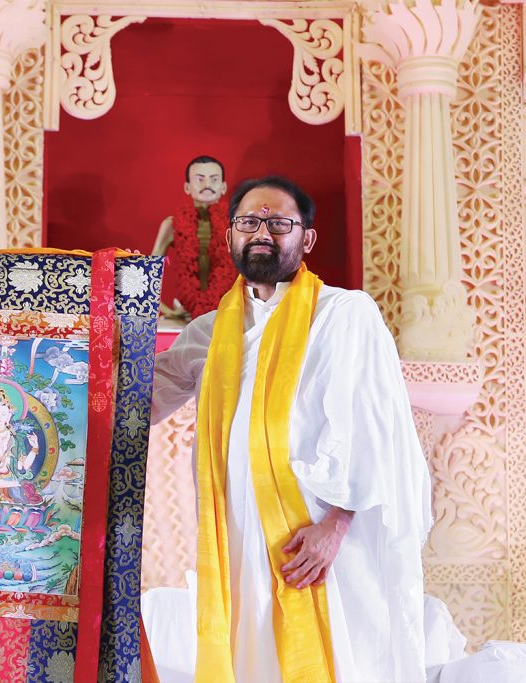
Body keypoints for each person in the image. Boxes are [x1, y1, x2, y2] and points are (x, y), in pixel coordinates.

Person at [151, 176, 432, 682]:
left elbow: (372, 428)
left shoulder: (344, 315)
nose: (262, 232)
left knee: (341, 660)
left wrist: (336, 527)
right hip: (237, 538)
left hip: (318, 544)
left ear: (307, 239)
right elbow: (138, 399)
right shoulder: (209, 332)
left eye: (279, 223)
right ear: (232, 235)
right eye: (249, 222)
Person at [152, 155, 238, 321]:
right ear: (187, 187)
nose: (207, 185)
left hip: (229, 312)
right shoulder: (172, 224)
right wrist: (165, 310)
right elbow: (148, 273)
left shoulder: (237, 224)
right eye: (200, 179)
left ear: (224, 187)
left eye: (214, 180)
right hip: (188, 313)